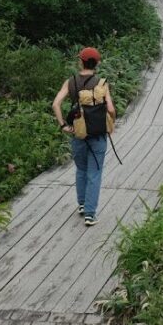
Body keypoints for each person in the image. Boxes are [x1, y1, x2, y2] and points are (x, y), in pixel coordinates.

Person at [51, 47, 116, 226]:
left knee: (81, 169)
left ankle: (81, 205)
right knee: (95, 173)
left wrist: (63, 124)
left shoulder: (70, 82)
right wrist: (112, 123)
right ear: (98, 63)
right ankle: (90, 213)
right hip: (98, 133)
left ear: (81, 61)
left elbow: (56, 104)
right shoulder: (102, 83)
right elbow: (110, 109)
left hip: (78, 132)